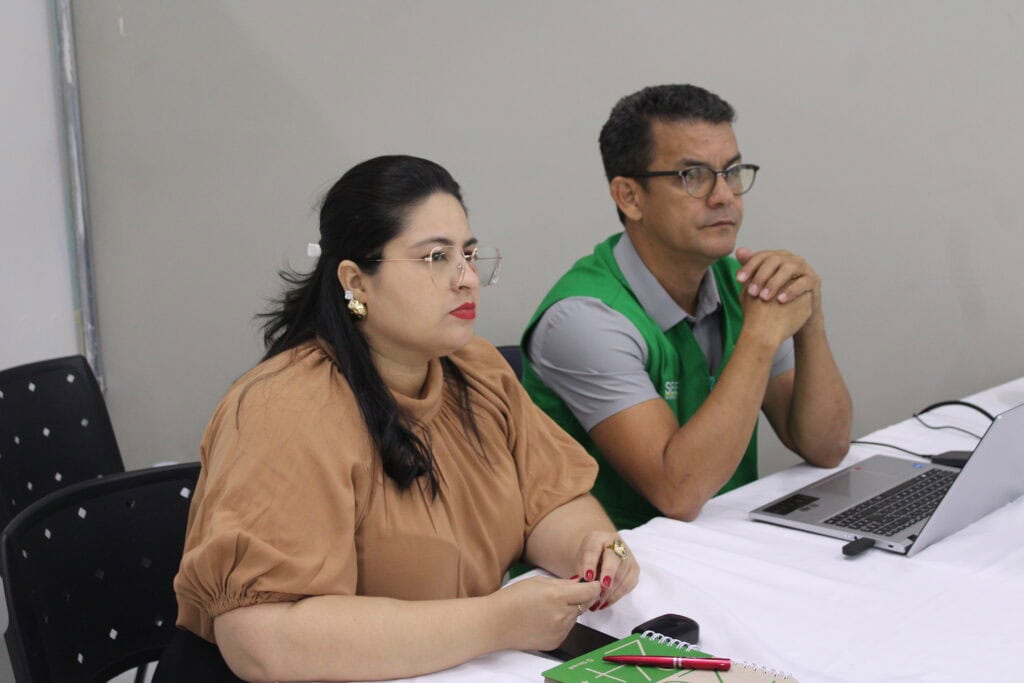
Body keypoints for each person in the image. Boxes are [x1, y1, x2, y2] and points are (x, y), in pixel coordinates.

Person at [158, 155, 638, 682]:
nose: (468, 280)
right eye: (435, 257)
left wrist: (590, 549)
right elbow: (264, 642)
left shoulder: (477, 370)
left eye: (470, 254)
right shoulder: (286, 409)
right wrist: (496, 622)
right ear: (356, 282)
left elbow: (549, 500)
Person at [522, 84, 852, 529]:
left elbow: (826, 446)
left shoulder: (738, 285)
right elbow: (678, 492)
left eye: (731, 171)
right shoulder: (583, 320)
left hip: (719, 553)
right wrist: (759, 335)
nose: (724, 196)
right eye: (692, 176)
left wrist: (808, 320)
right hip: (613, 581)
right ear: (629, 197)